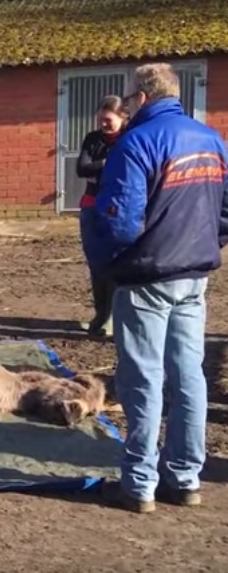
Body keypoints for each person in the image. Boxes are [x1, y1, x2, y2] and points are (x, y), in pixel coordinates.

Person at [91, 62, 228, 513]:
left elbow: (121, 220)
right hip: (194, 276)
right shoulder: (212, 141)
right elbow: (224, 211)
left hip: (147, 277)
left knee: (142, 378)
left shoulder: (137, 142)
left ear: (143, 98)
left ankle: (138, 484)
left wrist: (110, 259)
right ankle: (185, 477)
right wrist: (206, 243)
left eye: (129, 98)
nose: (127, 105)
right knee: (189, 375)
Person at [76, 95, 129, 337]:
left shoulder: (130, 138)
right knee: (96, 263)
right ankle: (100, 315)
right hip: (91, 205)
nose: (104, 124)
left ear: (122, 117)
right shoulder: (92, 139)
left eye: (108, 120)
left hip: (119, 207)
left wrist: (98, 167)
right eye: (101, 120)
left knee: (118, 263)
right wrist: (107, 163)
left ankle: (114, 318)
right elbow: (81, 168)